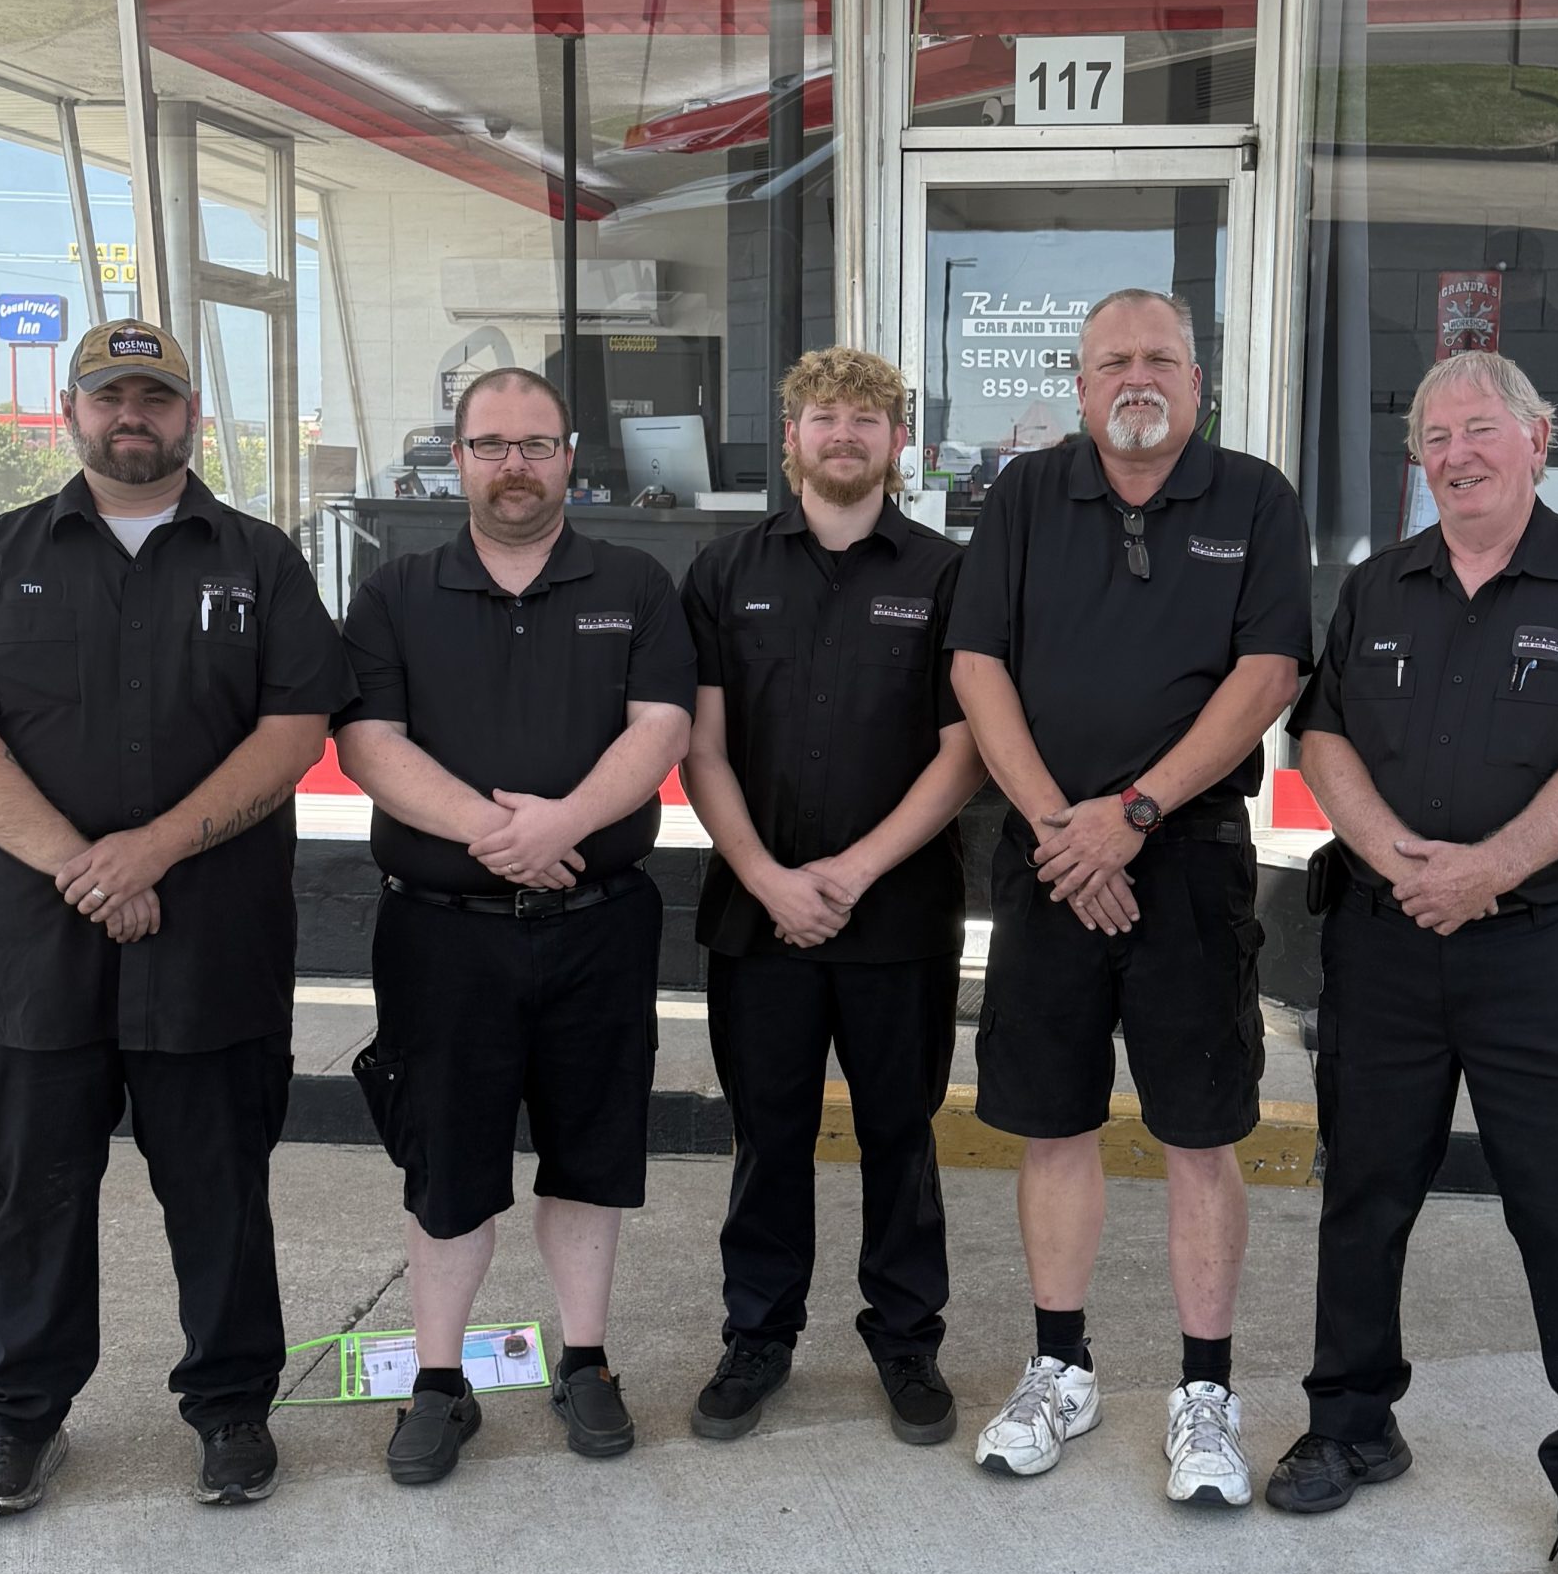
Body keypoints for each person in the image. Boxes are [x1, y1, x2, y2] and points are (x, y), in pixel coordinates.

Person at [0, 318, 355, 1520]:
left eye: (154, 395)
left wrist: (153, 848)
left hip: (211, 952)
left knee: (220, 1197)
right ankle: (16, 1420)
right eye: (109, 395)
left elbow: (294, 730)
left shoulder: (259, 561)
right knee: (24, 1199)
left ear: (192, 414)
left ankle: (232, 1410)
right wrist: (85, 866)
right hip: (27, 960)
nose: (130, 414)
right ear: (73, 412)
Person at [1271, 351, 1558, 1574]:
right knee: (1365, 1196)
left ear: (1537, 438)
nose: (1456, 453)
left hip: (1537, 950)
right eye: (1435, 436)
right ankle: (1351, 1422)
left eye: (1479, 429)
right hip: (1386, 941)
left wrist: (1487, 870)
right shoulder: (1375, 584)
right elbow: (1323, 735)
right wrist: (1394, 858)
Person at [948, 287, 1311, 1507]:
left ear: (1197, 381)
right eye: (1114, 361)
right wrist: (1067, 828)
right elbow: (977, 665)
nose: (1137, 378)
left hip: (1189, 852)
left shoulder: (1254, 498)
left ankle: (1205, 1391)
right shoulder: (1025, 495)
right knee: (1052, 1121)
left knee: (1200, 1131)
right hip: (1051, 851)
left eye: (1161, 358)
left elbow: (1267, 673)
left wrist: (1135, 814)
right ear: (1081, 382)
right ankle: (1061, 1367)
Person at [335, 367, 694, 1484]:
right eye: (490, 445)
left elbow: (661, 725)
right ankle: (439, 1381)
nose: (515, 466)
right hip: (443, 933)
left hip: (599, 924)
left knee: (591, 1156)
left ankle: (585, 1359)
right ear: (457, 458)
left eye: (536, 444)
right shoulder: (396, 591)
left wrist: (566, 825)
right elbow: (368, 743)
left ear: (570, 456)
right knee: (446, 1164)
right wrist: (501, 835)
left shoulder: (633, 582)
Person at [677, 348, 983, 1446]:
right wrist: (767, 878)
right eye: (822, 415)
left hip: (898, 917)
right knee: (769, 1134)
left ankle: (906, 1338)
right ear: (791, 438)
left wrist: (850, 874)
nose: (842, 433)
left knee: (902, 1134)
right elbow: (699, 746)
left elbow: (966, 752)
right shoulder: (723, 572)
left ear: (899, 442)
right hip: (756, 916)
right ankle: (758, 1335)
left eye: (865, 417)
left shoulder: (949, 575)